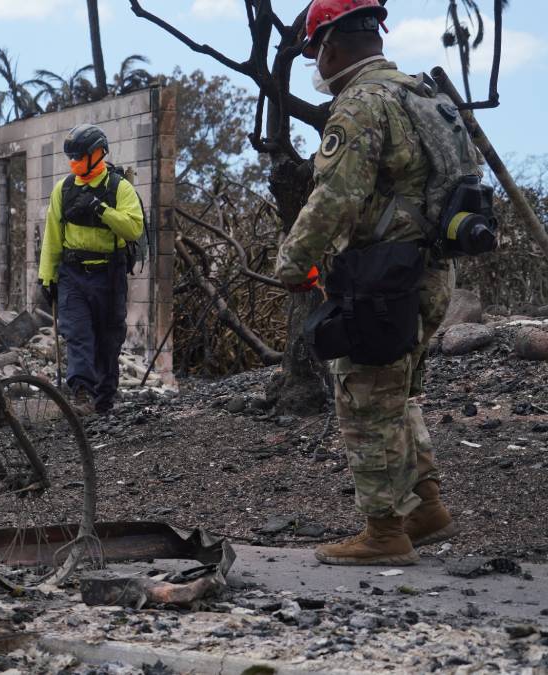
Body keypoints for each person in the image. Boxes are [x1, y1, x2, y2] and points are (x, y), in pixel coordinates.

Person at [275, 0, 462, 566]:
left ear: (331, 45)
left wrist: (293, 261)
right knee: (397, 395)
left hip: (382, 280)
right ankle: (425, 507)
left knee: (363, 397)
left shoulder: (359, 105)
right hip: (432, 273)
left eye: (317, 50)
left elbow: (333, 198)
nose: (318, 60)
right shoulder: (422, 95)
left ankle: (383, 533)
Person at [37, 124, 144, 415]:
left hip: (110, 275)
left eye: (80, 157)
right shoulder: (64, 189)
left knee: (108, 338)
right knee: (78, 334)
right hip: (73, 275)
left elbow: (134, 228)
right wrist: (46, 277)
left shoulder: (119, 188)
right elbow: (52, 236)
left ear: (98, 153)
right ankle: (82, 394)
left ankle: (104, 400)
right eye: (70, 159)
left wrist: (100, 209)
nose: (75, 164)